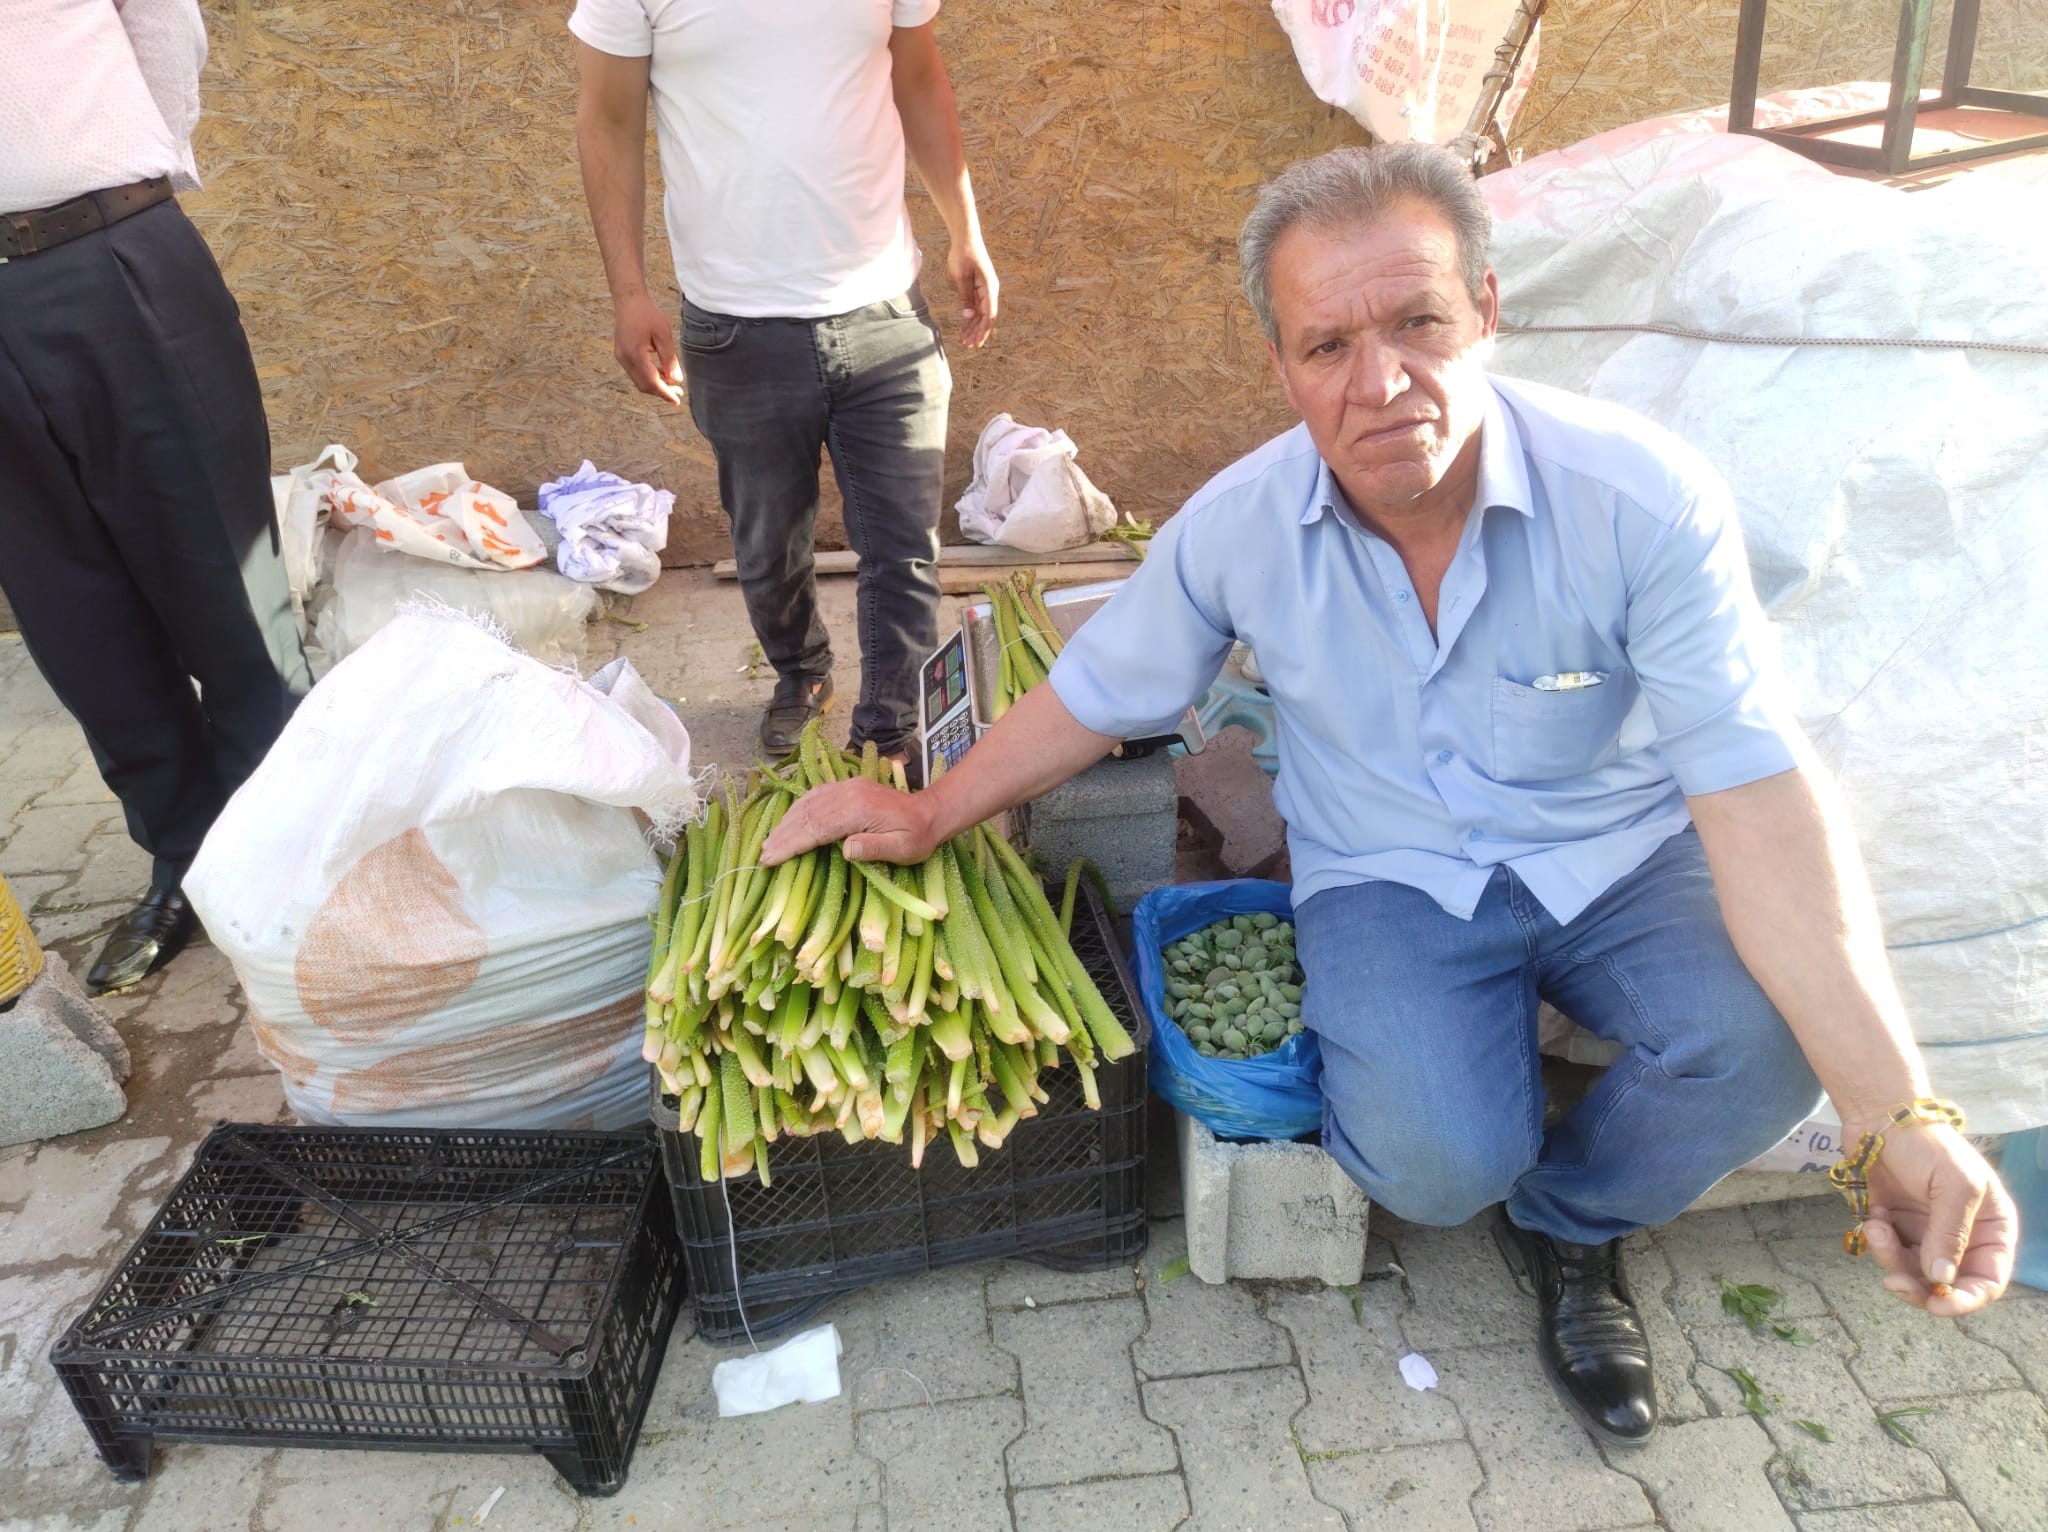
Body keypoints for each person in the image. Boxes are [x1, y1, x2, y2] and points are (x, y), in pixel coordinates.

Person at [760, 144, 2017, 1445]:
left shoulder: (1637, 499)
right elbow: (1097, 692)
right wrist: (929, 811)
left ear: (1485, 309)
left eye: (1418, 322)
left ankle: (1574, 1220)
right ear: (1282, 367)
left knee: (1762, 1053)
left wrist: (1897, 1114)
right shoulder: (1237, 526)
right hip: (1388, 873)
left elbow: (1754, 790)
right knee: (1433, 1166)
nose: (1379, 383)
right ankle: (1473, 1101)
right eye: (1327, 345)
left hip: (1617, 855)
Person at [571, 0, 998, 766]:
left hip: (884, 310)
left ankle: (889, 735)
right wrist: (628, 292)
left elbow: (918, 77)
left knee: (904, 545)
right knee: (768, 547)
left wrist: (965, 229)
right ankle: (803, 673)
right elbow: (608, 119)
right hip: (736, 325)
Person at [0, 0, 311, 995]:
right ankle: (186, 856)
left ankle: (291, 842)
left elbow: (162, 24)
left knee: (229, 582)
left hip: (113, 256)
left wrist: (135, 175)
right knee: (73, 620)